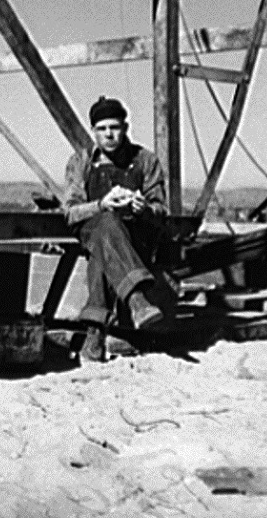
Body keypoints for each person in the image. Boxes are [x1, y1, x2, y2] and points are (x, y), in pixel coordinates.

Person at [62, 96, 168, 363]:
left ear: (125, 127)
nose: (109, 134)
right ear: (94, 131)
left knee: (104, 245)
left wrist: (143, 208)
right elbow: (70, 212)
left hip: (134, 233)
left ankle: (95, 333)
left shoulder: (145, 160)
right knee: (106, 225)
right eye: (102, 128)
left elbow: (161, 211)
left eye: (114, 127)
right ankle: (136, 300)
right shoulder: (81, 162)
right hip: (91, 227)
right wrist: (101, 204)